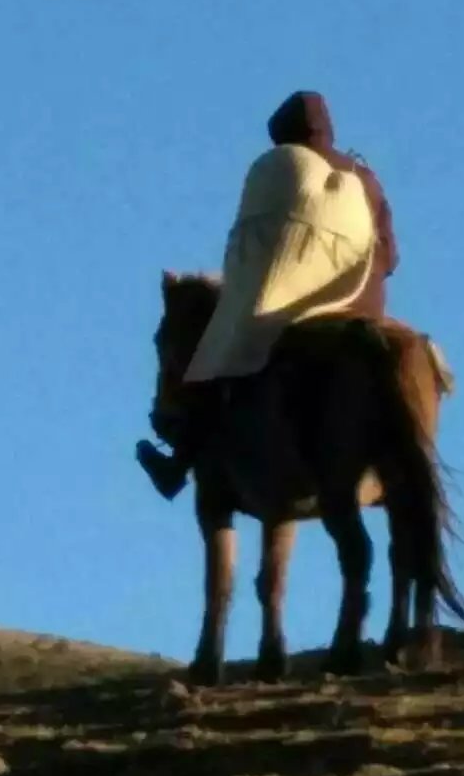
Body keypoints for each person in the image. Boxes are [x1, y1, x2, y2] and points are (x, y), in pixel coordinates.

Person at [136, 90, 398, 500]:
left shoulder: (276, 168)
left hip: (295, 303)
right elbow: (392, 255)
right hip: (367, 304)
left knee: (217, 352)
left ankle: (178, 462)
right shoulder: (365, 177)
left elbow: (253, 251)